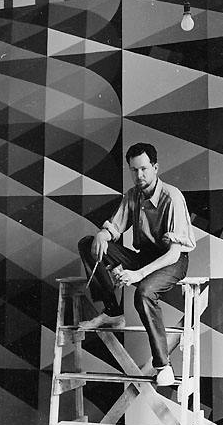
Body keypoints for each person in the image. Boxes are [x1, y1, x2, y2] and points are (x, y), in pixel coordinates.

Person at [77, 143, 196, 387]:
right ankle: (113, 311)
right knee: (88, 244)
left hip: (172, 260)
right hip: (145, 257)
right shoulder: (132, 195)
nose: (139, 175)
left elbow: (174, 254)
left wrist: (138, 274)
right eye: (134, 170)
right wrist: (102, 234)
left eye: (144, 169)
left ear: (155, 167)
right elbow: (115, 227)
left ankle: (163, 366)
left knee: (143, 293)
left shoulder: (172, 197)